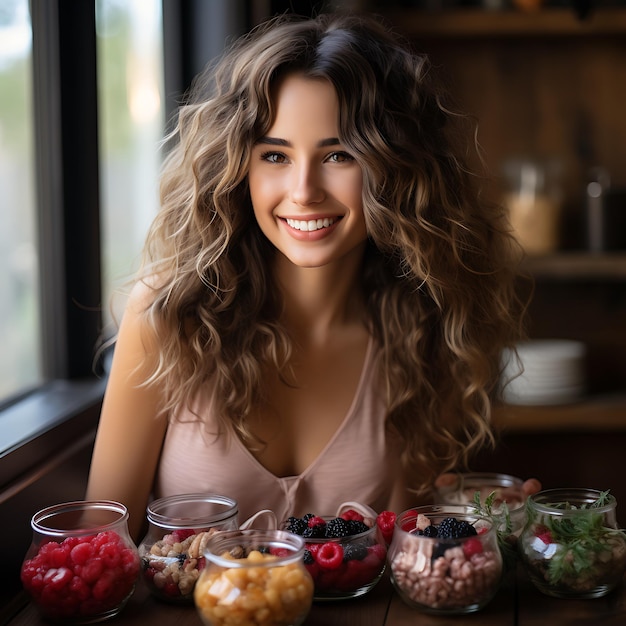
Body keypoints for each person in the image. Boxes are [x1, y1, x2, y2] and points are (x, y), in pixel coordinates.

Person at [85, 12, 530, 540]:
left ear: (396, 169)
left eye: (339, 154)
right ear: (236, 168)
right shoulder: (165, 314)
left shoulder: (425, 329)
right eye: (274, 154)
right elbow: (98, 547)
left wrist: (475, 522)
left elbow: (395, 547)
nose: (303, 191)